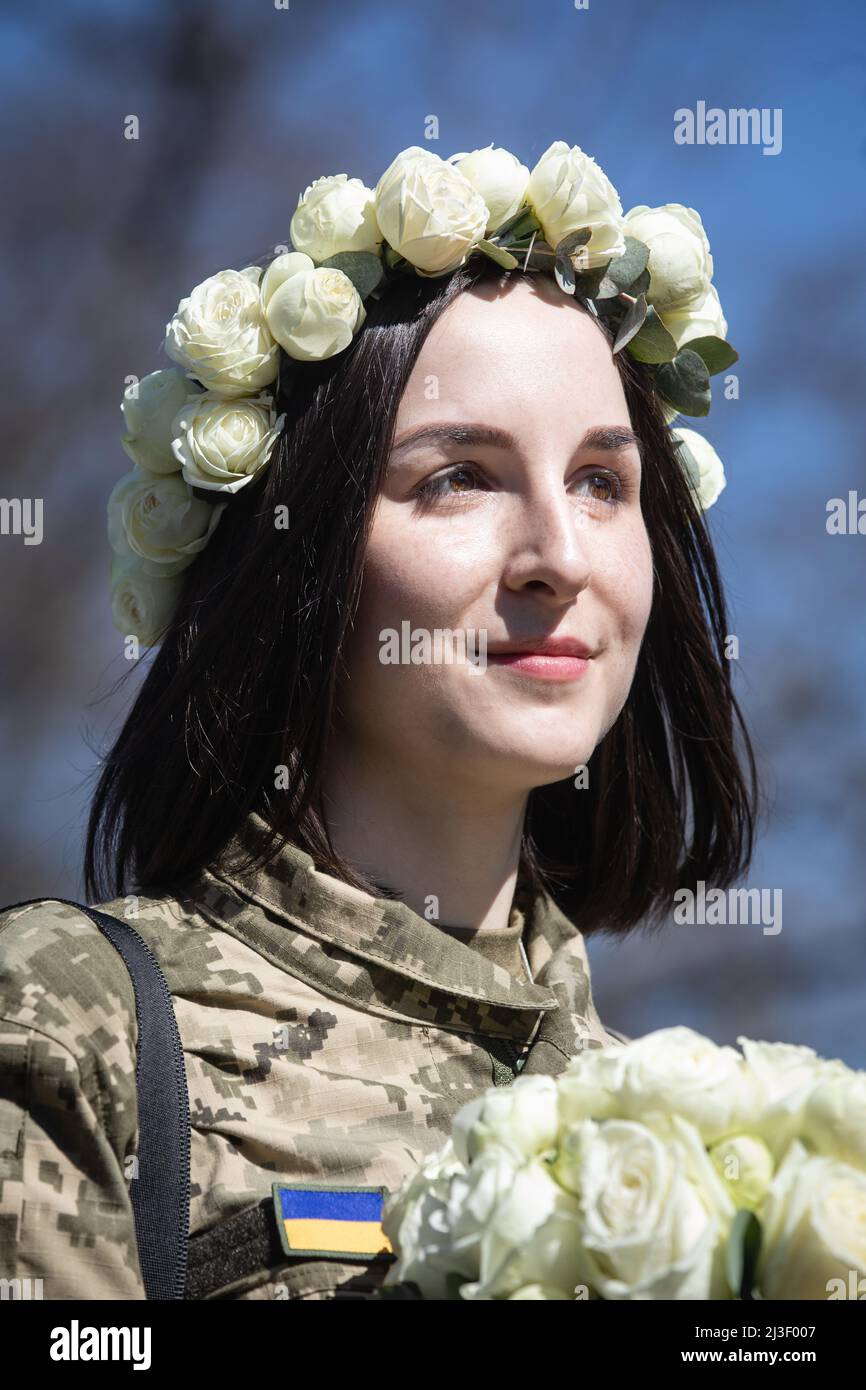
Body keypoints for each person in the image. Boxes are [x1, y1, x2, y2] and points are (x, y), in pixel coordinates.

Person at [0, 142, 758, 1300]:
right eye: (457, 476)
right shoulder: (72, 1021)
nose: (559, 556)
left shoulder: (714, 1145)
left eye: (603, 482)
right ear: (294, 557)